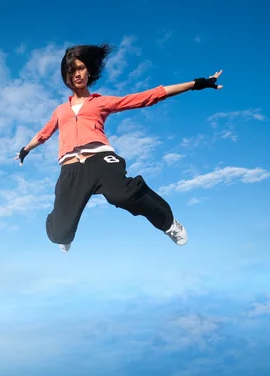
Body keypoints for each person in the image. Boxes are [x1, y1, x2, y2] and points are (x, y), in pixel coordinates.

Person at [14, 43, 223, 252]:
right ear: (66, 76)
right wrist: (26, 150)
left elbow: (145, 98)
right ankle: (63, 229)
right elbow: (43, 134)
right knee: (59, 233)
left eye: (80, 68)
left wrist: (196, 83)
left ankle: (168, 222)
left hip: (100, 159)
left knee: (123, 195)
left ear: (89, 71)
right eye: (71, 70)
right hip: (70, 169)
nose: (77, 74)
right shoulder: (60, 111)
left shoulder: (100, 102)